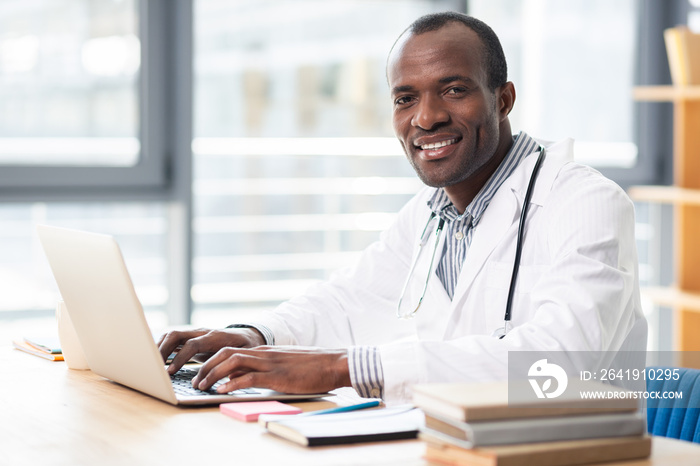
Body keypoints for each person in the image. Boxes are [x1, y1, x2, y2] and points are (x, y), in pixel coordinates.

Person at [158, 12, 646, 403]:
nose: (427, 117)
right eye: (405, 98)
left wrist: (341, 368)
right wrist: (254, 336)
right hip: (447, 445)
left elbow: (560, 361)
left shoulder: (585, 203)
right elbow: (347, 303)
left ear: (503, 99)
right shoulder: (429, 213)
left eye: (454, 90)